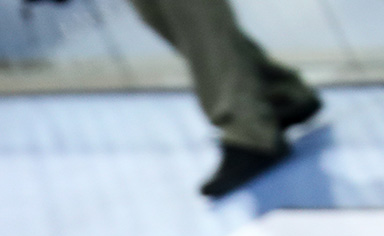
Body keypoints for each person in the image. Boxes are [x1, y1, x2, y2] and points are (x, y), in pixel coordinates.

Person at [121, 0, 320, 197]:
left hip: (248, 129)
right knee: (158, 14)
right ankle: (273, 91)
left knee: (189, 10)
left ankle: (248, 130)